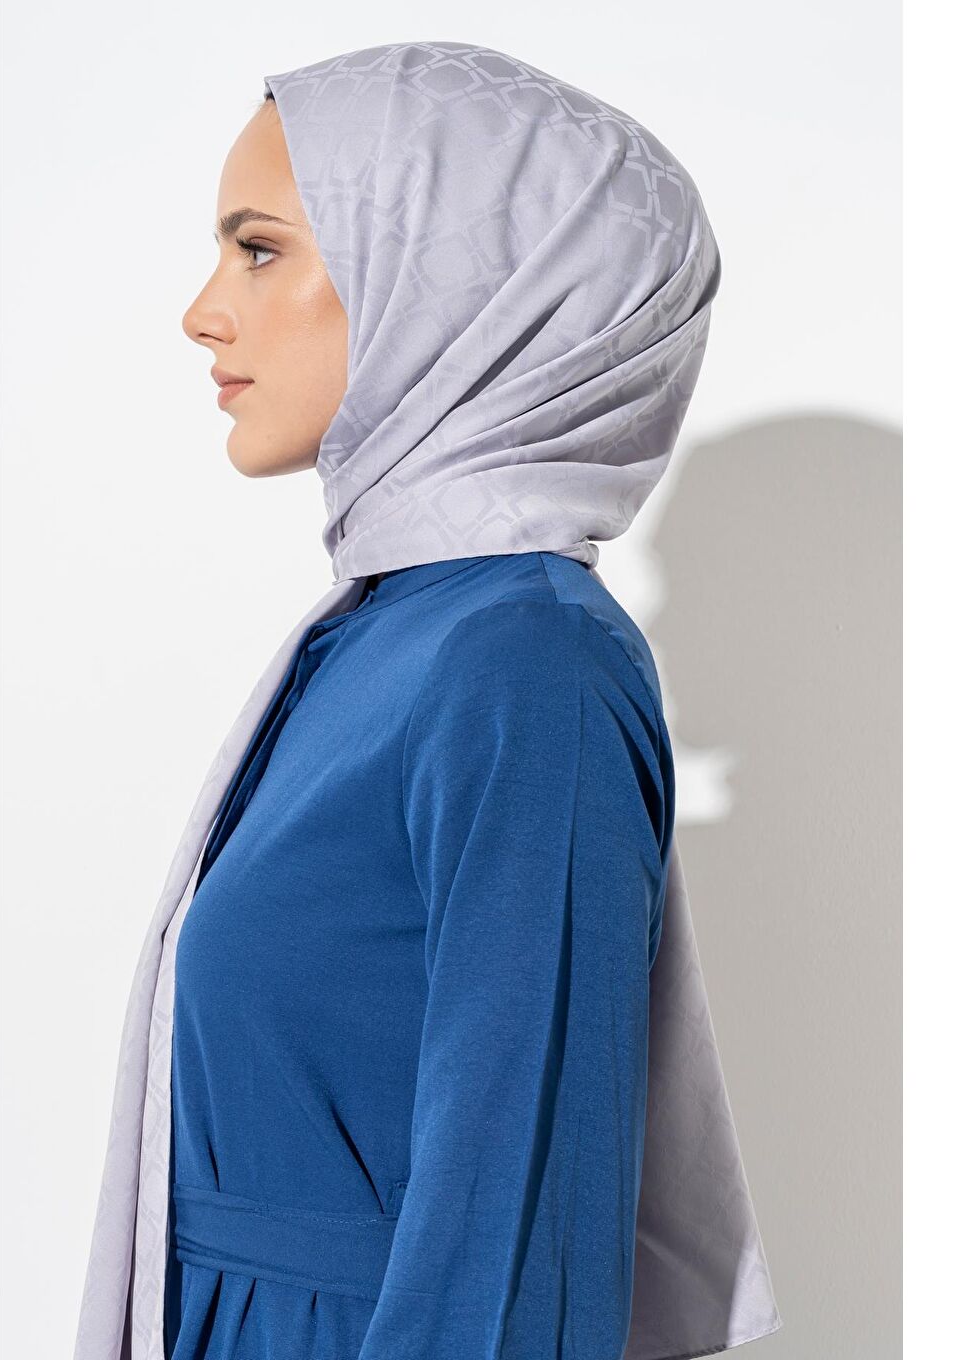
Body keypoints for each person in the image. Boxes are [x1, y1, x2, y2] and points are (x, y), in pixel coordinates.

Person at [74, 41, 782, 1360]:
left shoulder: (525, 661)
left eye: (260, 250)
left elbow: (517, 1249)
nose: (204, 313)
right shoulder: (383, 638)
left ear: (456, 280)